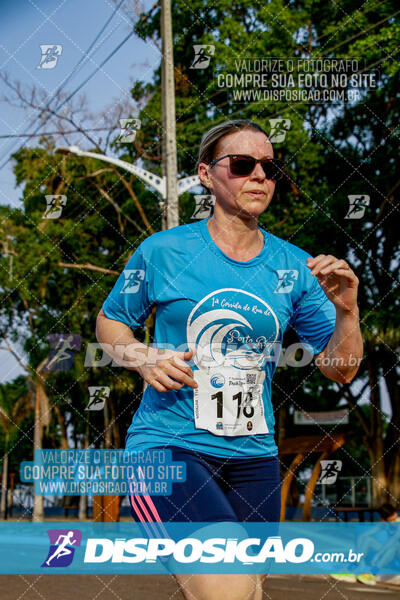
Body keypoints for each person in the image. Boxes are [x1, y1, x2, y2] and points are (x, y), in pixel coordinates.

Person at [96, 119, 363, 600]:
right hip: (167, 449)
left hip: (253, 458)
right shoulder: (163, 251)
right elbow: (111, 321)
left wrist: (347, 312)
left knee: (248, 591)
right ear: (205, 173)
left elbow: (340, 368)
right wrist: (140, 355)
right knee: (226, 583)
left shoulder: (294, 268)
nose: (259, 175)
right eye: (242, 165)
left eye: (269, 166)